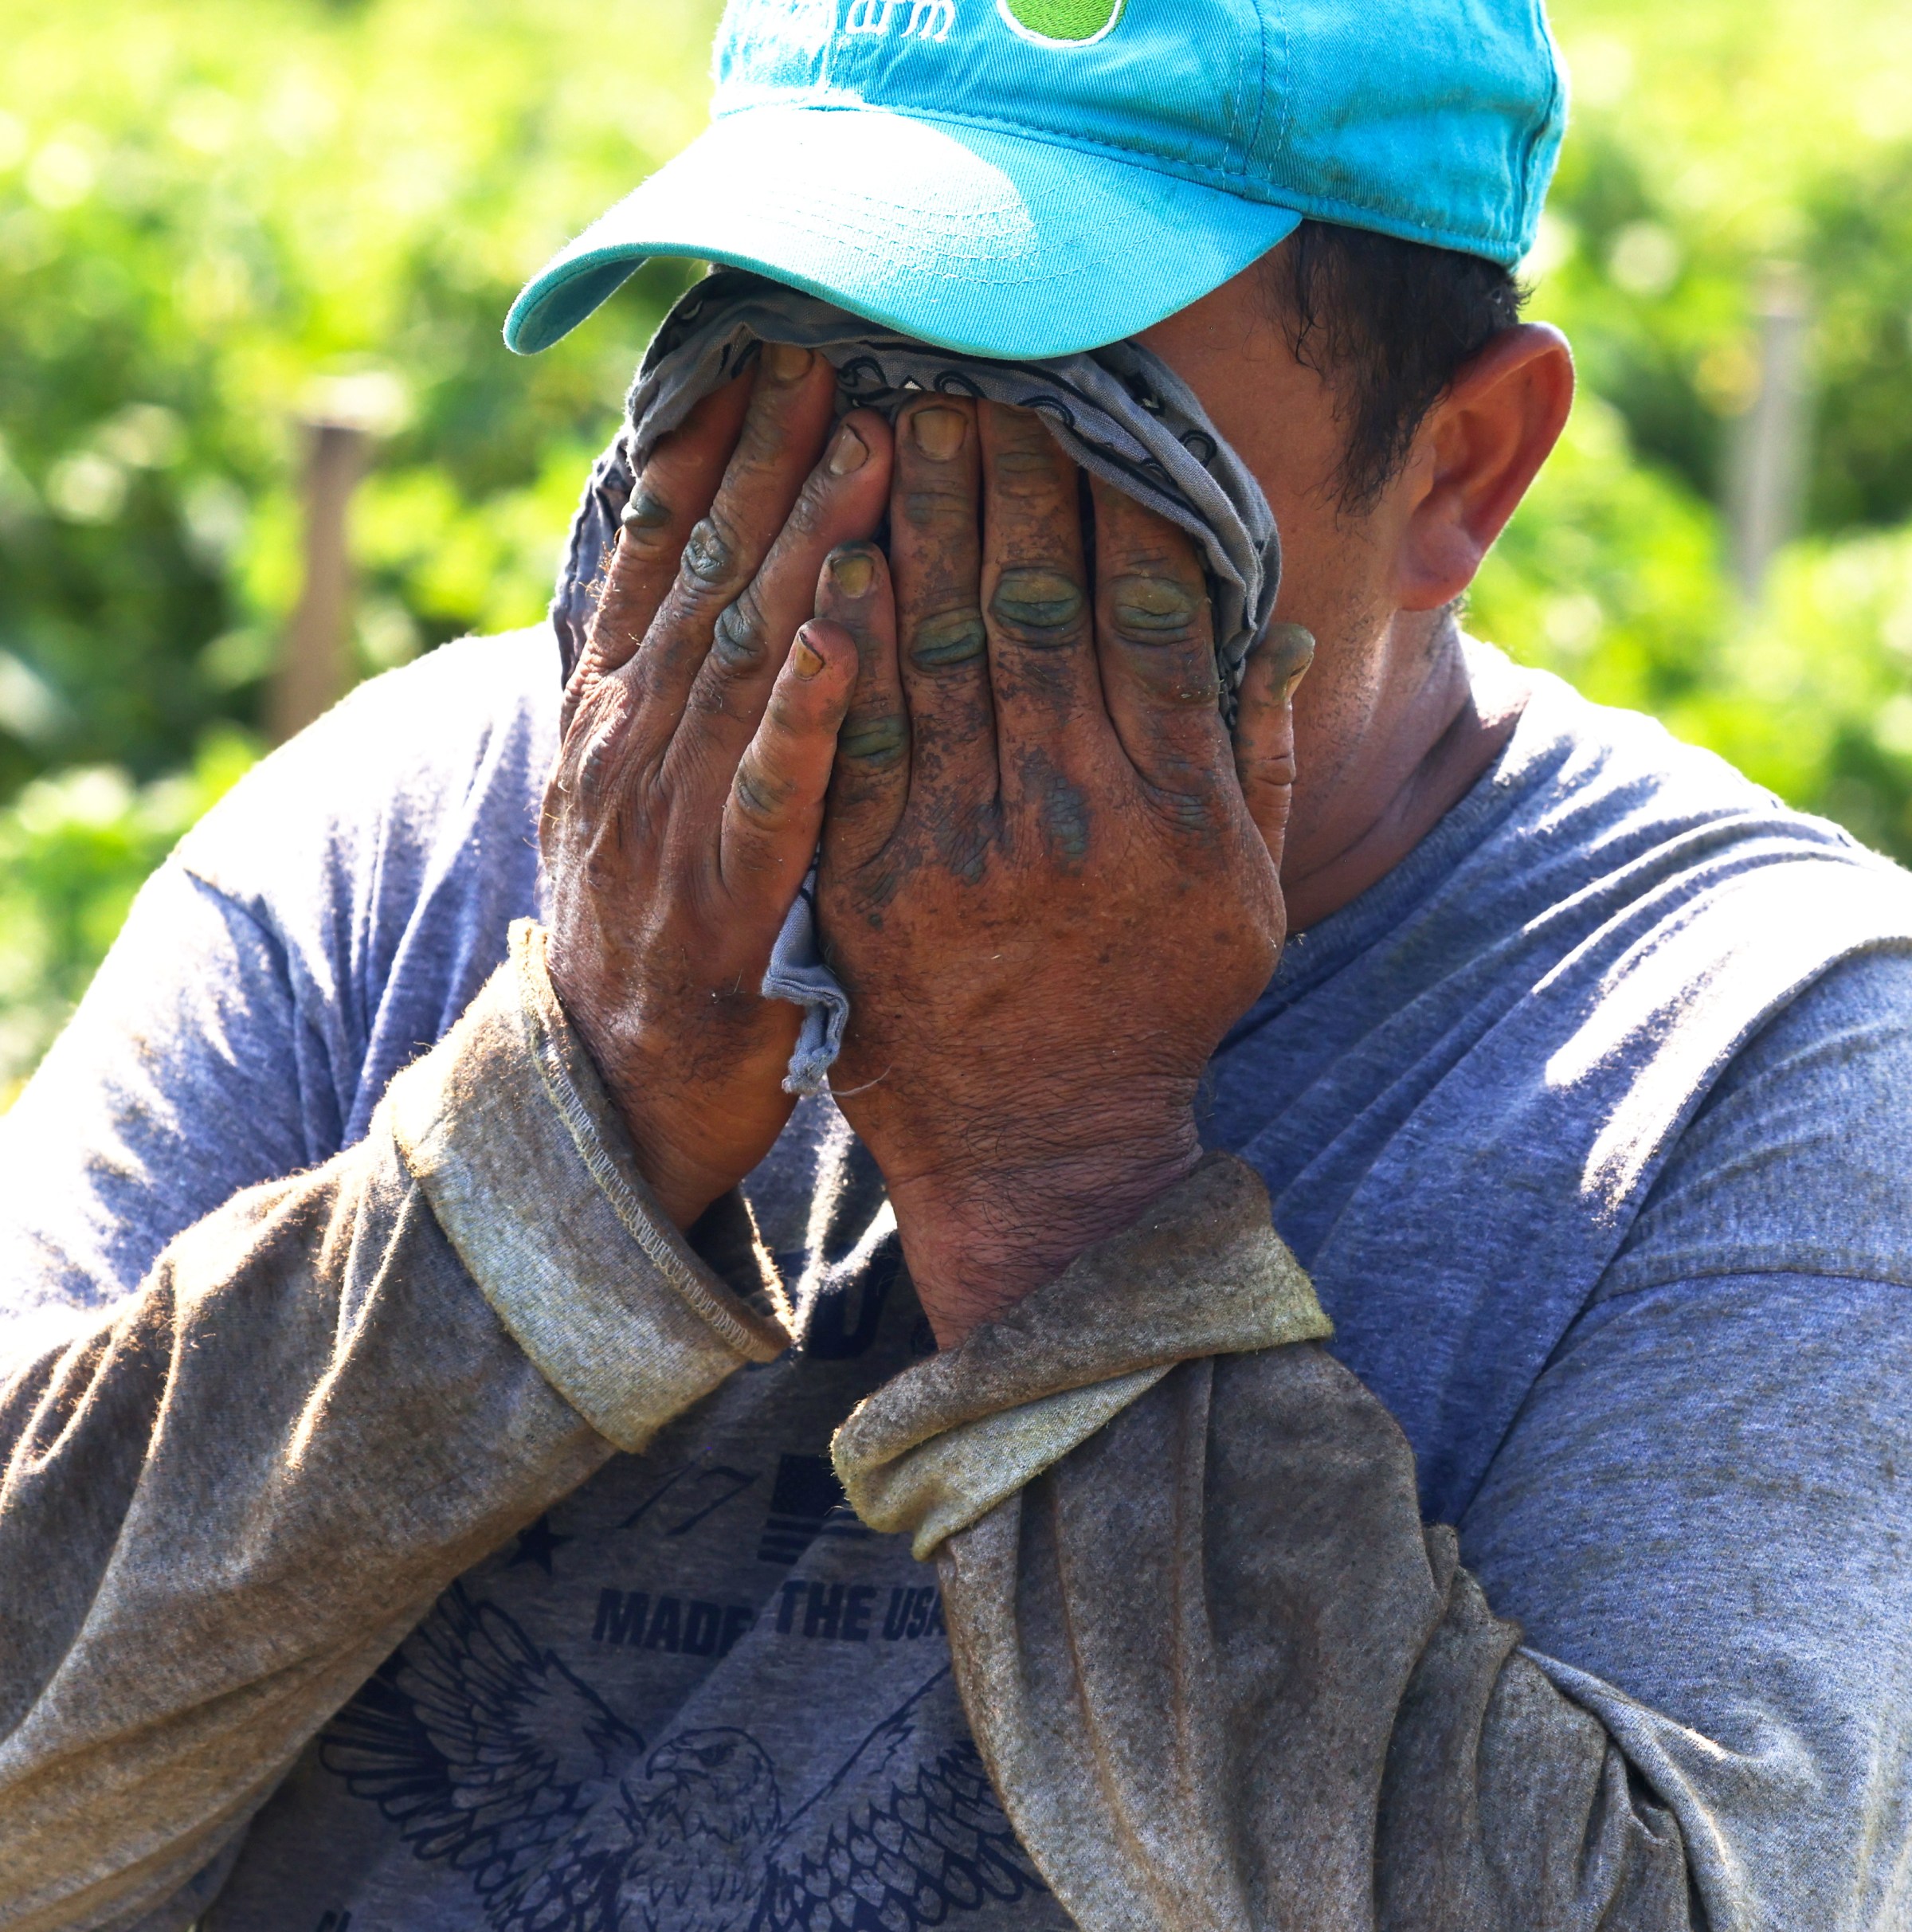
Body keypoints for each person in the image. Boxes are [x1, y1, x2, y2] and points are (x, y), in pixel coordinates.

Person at [4, 0, 1911, 1926]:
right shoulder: (402, 841)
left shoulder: (1761, 1060)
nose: (872, 531)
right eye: (790, 355)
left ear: (1459, 466)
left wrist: (1066, 1181)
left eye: (1045, 422)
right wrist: (575, 1119)